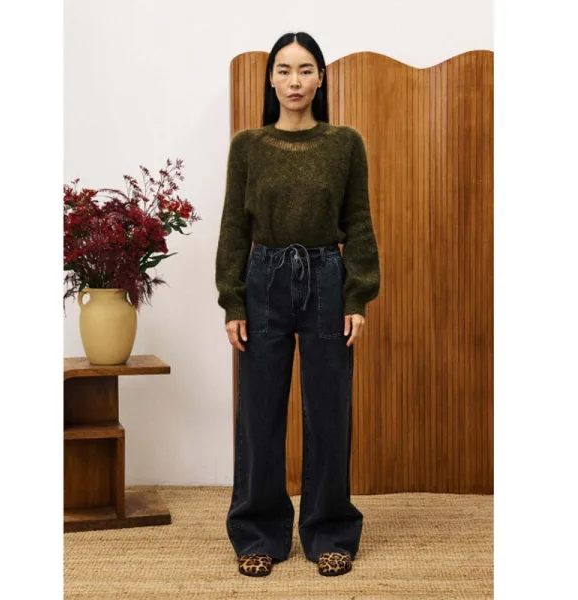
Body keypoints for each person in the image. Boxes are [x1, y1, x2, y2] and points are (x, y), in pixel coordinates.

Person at [215, 31, 381, 578]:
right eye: (284, 70)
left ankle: (330, 531)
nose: (294, 81)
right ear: (270, 79)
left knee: (329, 409)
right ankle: (258, 533)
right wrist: (232, 300)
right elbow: (234, 227)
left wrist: (357, 295)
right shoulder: (248, 146)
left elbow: (358, 221)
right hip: (263, 279)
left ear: (321, 78)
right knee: (259, 411)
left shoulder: (345, 143)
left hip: (327, 278)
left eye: (305, 70)